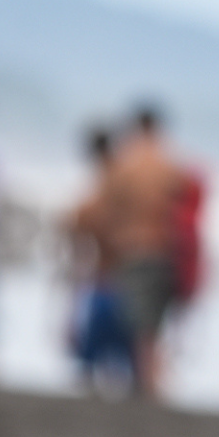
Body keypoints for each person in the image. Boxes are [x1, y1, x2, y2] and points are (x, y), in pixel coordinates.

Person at [98, 105, 203, 398]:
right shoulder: (174, 166)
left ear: (135, 127)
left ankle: (149, 384)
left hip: (133, 249)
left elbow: (108, 211)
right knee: (156, 324)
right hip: (168, 251)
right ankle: (156, 380)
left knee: (140, 325)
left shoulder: (124, 165)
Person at [64, 127, 135, 392]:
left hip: (104, 287)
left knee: (88, 372)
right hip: (127, 287)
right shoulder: (129, 194)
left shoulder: (90, 202)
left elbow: (78, 257)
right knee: (130, 374)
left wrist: (69, 311)